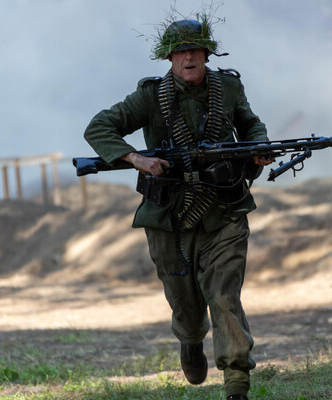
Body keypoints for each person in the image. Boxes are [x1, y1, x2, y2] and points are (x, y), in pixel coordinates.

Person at [83, 16, 272, 400]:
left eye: (195, 50)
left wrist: (259, 147)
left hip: (223, 210)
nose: (189, 58)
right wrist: (136, 159)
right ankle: (189, 339)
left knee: (224, 297)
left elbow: (251, 125)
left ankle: (236, 383)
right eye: (181, 52)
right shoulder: (151, 97)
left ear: (206, 53)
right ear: (169, 58)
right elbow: (99, 127)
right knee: (185, 305)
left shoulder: (229, 88)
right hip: (169, 216)